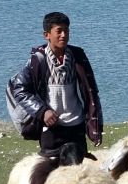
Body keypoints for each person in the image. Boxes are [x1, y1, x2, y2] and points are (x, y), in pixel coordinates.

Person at [8, 12, 103, 157]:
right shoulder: (38, 60)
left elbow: (91, 92)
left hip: (76, 128)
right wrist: (42, 111)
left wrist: (95, 127)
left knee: (78, 174)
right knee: (51, 175)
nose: (64, 35)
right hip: (51, 129)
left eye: (67, 30)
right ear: (46, 35)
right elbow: (19, 89)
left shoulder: (78, 57)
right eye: (59, 31)